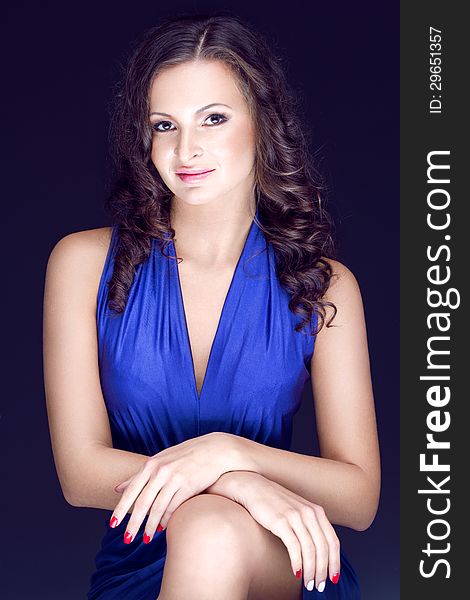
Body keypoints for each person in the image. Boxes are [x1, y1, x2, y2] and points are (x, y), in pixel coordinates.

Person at [43, 12, 380, 600]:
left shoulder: (324, 287)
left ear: (262, 124)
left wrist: (225, 456)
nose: (186, 149)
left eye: (214, 119)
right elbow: (79, 474)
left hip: (281, 557)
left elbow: (358, 497)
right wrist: (241, 483)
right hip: (139, 562)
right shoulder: (82, 264)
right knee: (205, 527)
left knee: (213, 533)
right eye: (164, 125)